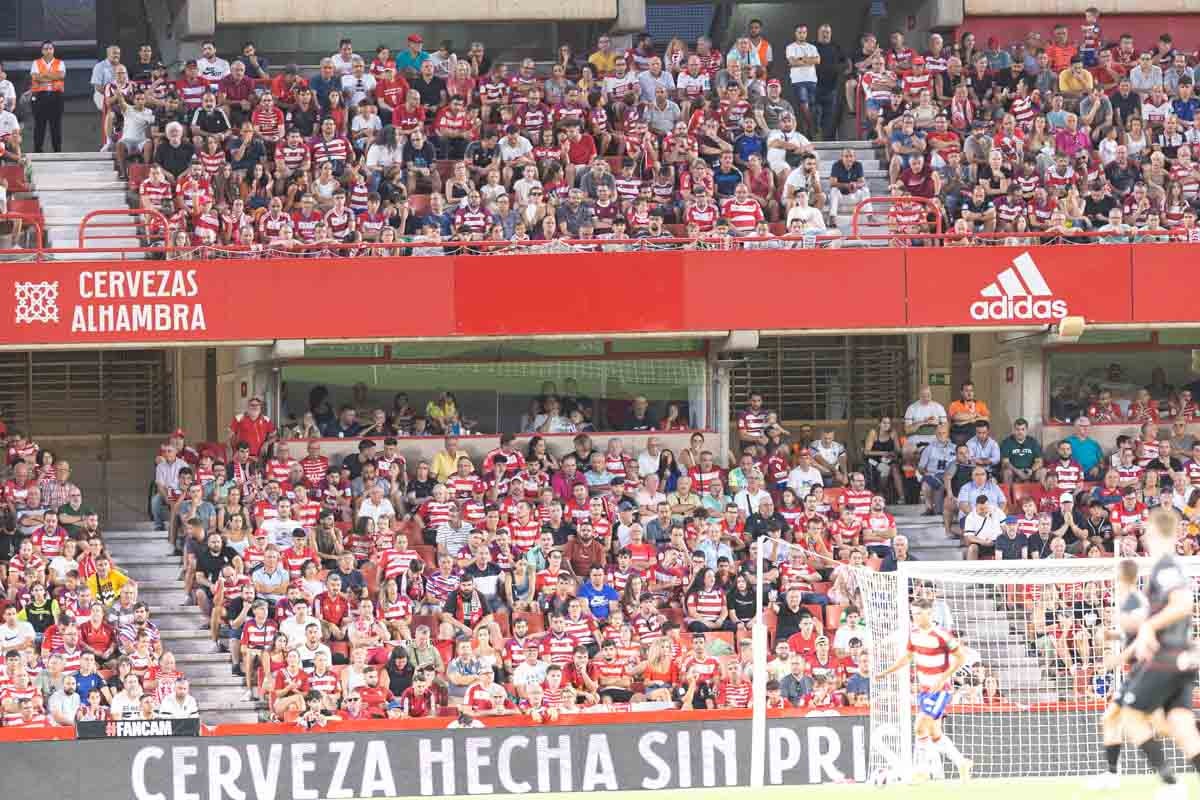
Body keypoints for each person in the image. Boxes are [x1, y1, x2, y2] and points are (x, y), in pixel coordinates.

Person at [1123, 510, 1200, 794]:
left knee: (1129, 715)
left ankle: (1170, 783)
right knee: (1181, 723)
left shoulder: (1164, 566)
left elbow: (1182, 604)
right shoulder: (1172, 566)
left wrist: (1147, 628)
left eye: (1146, 530)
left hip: (1166, 657)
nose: (1143, 535)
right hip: (1183, 657)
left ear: (1154, 531)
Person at [876, 597, 973, 780]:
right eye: (913, 614)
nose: (916, 617)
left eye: (919, 613)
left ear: (930, 613)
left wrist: (943, 678)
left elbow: (961, 657)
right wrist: (886, 672)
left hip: (940, 690)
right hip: (924, 690)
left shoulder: (943, 635)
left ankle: (921, 770)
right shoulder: (913, 634)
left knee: (919, 727)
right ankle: (961, 762)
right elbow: (908, 657)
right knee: (935, 734)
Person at [29, 41, 66, 153]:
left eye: (50, 48)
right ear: (42, 51)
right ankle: (38, 150)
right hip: (40, 97)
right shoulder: (36, 63)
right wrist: (53, 77)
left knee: (56, 125)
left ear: (53, 50)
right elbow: (35, 78)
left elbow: (61, 75)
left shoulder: (60, 62)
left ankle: (57, 150)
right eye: (46, 48)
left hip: (56, 97)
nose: (48, 50)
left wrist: (43, 76)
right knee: (39, 124)